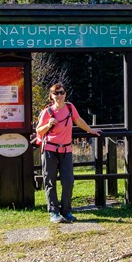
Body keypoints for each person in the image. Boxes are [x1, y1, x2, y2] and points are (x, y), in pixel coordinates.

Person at [35, 83, 101, 223]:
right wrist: (48, 124)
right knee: (50, 181)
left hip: (66, 150)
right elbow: (39, 131)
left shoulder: (70, 108)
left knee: (68, 181)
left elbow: (79, 120)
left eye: (61, 92)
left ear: (65, 94)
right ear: (51, 96)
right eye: (56, 93)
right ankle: (53, 212)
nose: (59, 95)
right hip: (50, 150)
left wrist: (91, 131)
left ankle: (66, 211)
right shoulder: (47, 111)